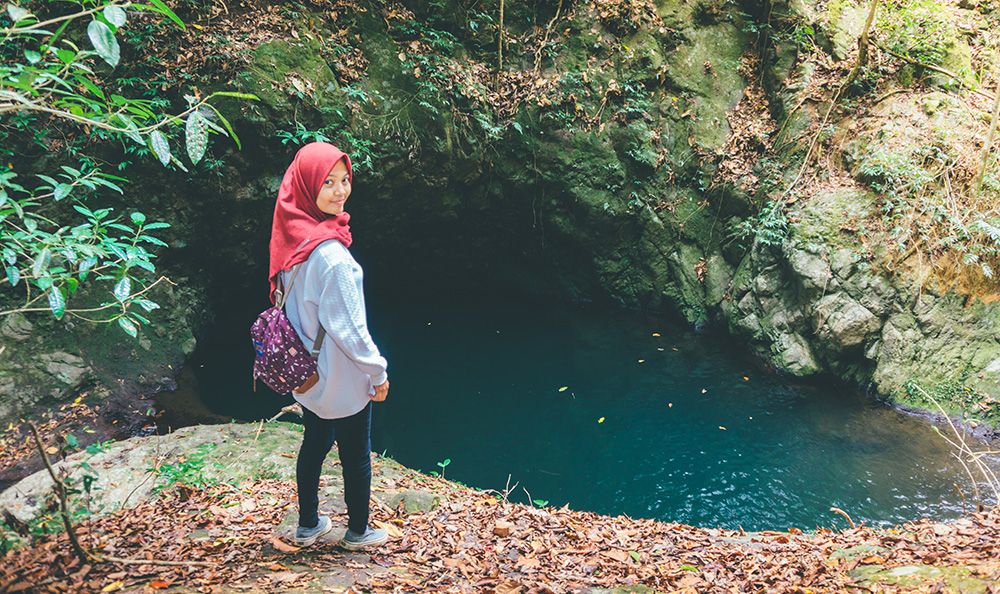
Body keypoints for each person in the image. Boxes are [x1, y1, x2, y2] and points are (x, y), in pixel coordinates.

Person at [267, 141, 390, 549]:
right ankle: (358, 532)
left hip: (306, 375)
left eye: (345, 180)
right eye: (328, 183)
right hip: (341, 379)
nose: (340, 191)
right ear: (306, 187)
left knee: (314, 444)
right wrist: (378, 374)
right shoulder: (333, 258)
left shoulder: (292, 238)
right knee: (356, 455)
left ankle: (308, 525)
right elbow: (351, 331)